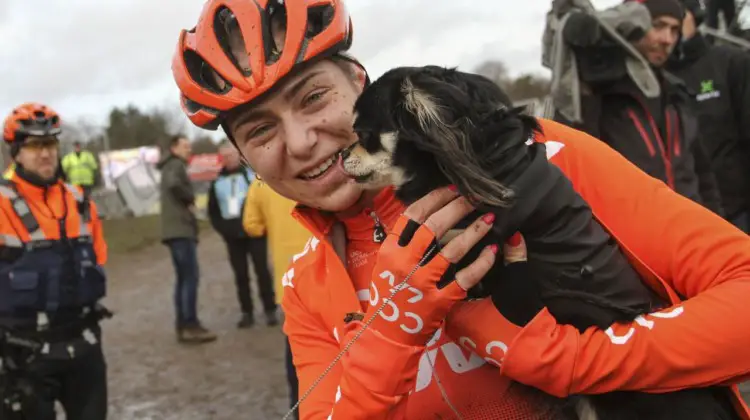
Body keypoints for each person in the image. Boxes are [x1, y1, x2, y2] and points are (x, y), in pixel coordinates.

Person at [171, 1, 750, 418]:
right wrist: (393, 332)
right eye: (260, 130)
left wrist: (568, 361)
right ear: (241, 155)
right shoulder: (307, 284)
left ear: (359, 83)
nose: (300, 141)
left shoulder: (535, 157)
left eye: (314, 98)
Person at [556, 0, 724, 216]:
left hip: (693, 230)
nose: (667, 39)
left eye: (674, 29)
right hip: (638, 236)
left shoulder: (677, 93)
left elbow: (702, 172)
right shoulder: (604, 94)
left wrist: (719, 224)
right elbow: (575, 167)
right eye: (658, 25)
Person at [0, 103, 111, 419]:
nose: (45, 153)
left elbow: (99, 258)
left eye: (49, 144)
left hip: (84, 344)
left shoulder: (79, 201)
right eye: (35, 146)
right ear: (16, 153)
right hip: (24, 354)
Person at [667, 0, 750, 232]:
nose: (669, 31)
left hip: (739, 211)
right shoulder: (657, 81)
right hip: (688, 218)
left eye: (678, 18)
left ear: (694, 16)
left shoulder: (731, 62)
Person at [243, 177, 313, 418]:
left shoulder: (261, 184)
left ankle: (301, 411)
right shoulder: (316, 169)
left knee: (298, 357)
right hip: (332, 272)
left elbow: (252, 225)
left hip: (289, 281)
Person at [207, 142, 277, 328]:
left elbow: (264, 203)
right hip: (233, 237)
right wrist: (224, 230)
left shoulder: (252, 177)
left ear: (238, 155)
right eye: (225, 156)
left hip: (255, 233)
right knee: (241, 275)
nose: (229, 159)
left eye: (232, 155)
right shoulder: (216, 183)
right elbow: (212, 212)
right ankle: (247, 312)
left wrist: (264, 225)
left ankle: (270, 309)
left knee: (262, 272)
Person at [158, 135, 216, 343]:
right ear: (174, 148)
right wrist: (189, 199)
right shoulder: (175, 165)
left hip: (175, 230)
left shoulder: (169, 165)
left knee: (183, 279)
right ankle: (190, 324)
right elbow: (174, 185)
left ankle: (183, 324)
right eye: (185, 146)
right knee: (190, 277)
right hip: (180, 229)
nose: (189, 149)